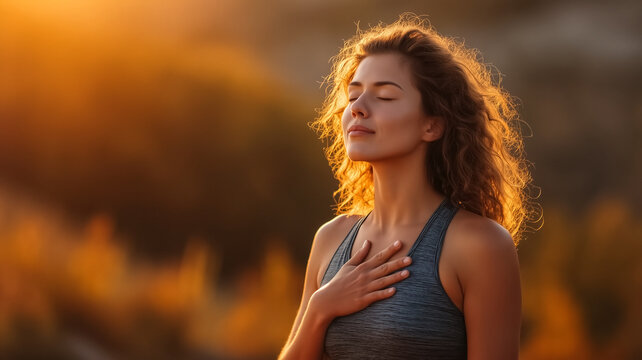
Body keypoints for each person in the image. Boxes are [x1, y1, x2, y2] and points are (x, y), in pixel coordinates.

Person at [278, 13, 540, 360]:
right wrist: (320, 309)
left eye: (384, 97)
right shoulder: (330, 238)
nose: (357, 108)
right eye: (353, 95)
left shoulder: (479, 246)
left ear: (432, 125)